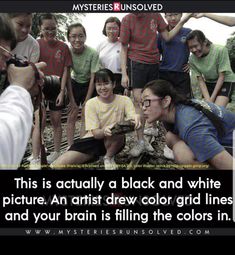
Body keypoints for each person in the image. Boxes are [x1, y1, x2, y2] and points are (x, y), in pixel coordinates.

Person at [120, 13, 193, 157]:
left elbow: (167, 36)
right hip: (137, 61)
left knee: (157, 100)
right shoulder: (127, 19)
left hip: (154, 63)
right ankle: (140, 141)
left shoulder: (155, 15)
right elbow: (123, 47)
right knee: (139, 100)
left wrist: (184, 20)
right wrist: (124, 72)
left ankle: (163, 136)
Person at [52, 68, 141, 170]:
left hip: (115, 141)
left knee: (117, 129)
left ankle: (108, 157)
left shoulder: (125, 100)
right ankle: (97, 156)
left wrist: (135, 117)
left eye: (106, 83)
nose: (102, 87)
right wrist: (105, 130)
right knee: (59, 165)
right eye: (99, 84)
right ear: (95, 86)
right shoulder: (91, 103)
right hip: (93, 140)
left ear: (114, 84)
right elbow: (96, 134)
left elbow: (131, 118)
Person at [141, 79, 235, 170]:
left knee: (182, 153)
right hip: (224, 141)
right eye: (142, 103)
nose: (143, 108)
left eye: (147, 101)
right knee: (170, 137)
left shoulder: (191, 125)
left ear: (166, 101)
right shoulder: (177, 110)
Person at [0, 14, 46, 169]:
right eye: (2, 55)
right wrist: (19, 88)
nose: (3, 67)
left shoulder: (32, 44)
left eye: (8, 59)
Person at [36, 13, 72, 165]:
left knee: (56, 121)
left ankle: (57, 151)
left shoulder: (63, 47)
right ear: (40, 28)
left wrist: (62, 91)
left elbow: (66, 70)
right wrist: (38, 90)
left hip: (57, 86)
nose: (50, 31)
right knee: (40, 121)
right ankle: (37, 153)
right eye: (46, 28)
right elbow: (33, 67)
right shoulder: (36, 44)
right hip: (41, 86)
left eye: (53, 28)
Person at [66, 23, 100, 147]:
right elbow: (68, 76)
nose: (77, 40)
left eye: (80, 36)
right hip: (74, 83)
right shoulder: (67, 52)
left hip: (89, 84)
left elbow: (93, 78)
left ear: (85, 37)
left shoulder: (93, 53)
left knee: (86, 116)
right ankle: (70, 146)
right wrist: (71, 99)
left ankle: (81, 146)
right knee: (72, 114)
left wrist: (87, 100)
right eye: (73, 36)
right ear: (69, 38)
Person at [186, 30, 235, 107]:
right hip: (209, 81)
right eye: (191, 48)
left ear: (204, 42)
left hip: (225, 80)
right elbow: (200, 80)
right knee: (207, 110)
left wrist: (211, 99)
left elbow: (222, 76)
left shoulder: (220, 50)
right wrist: (208, 100)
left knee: (217, 110)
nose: (194, 50)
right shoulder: (192, 59)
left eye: (196, 46)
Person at [96, 16, 124, 95]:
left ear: (119, 29)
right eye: (109, 28)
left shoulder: (124, 45)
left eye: (114, 28)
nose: (111, 31)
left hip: (119, 79)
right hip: (103, 79)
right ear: (105, 29)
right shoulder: (100, 45)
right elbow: (96, 64)